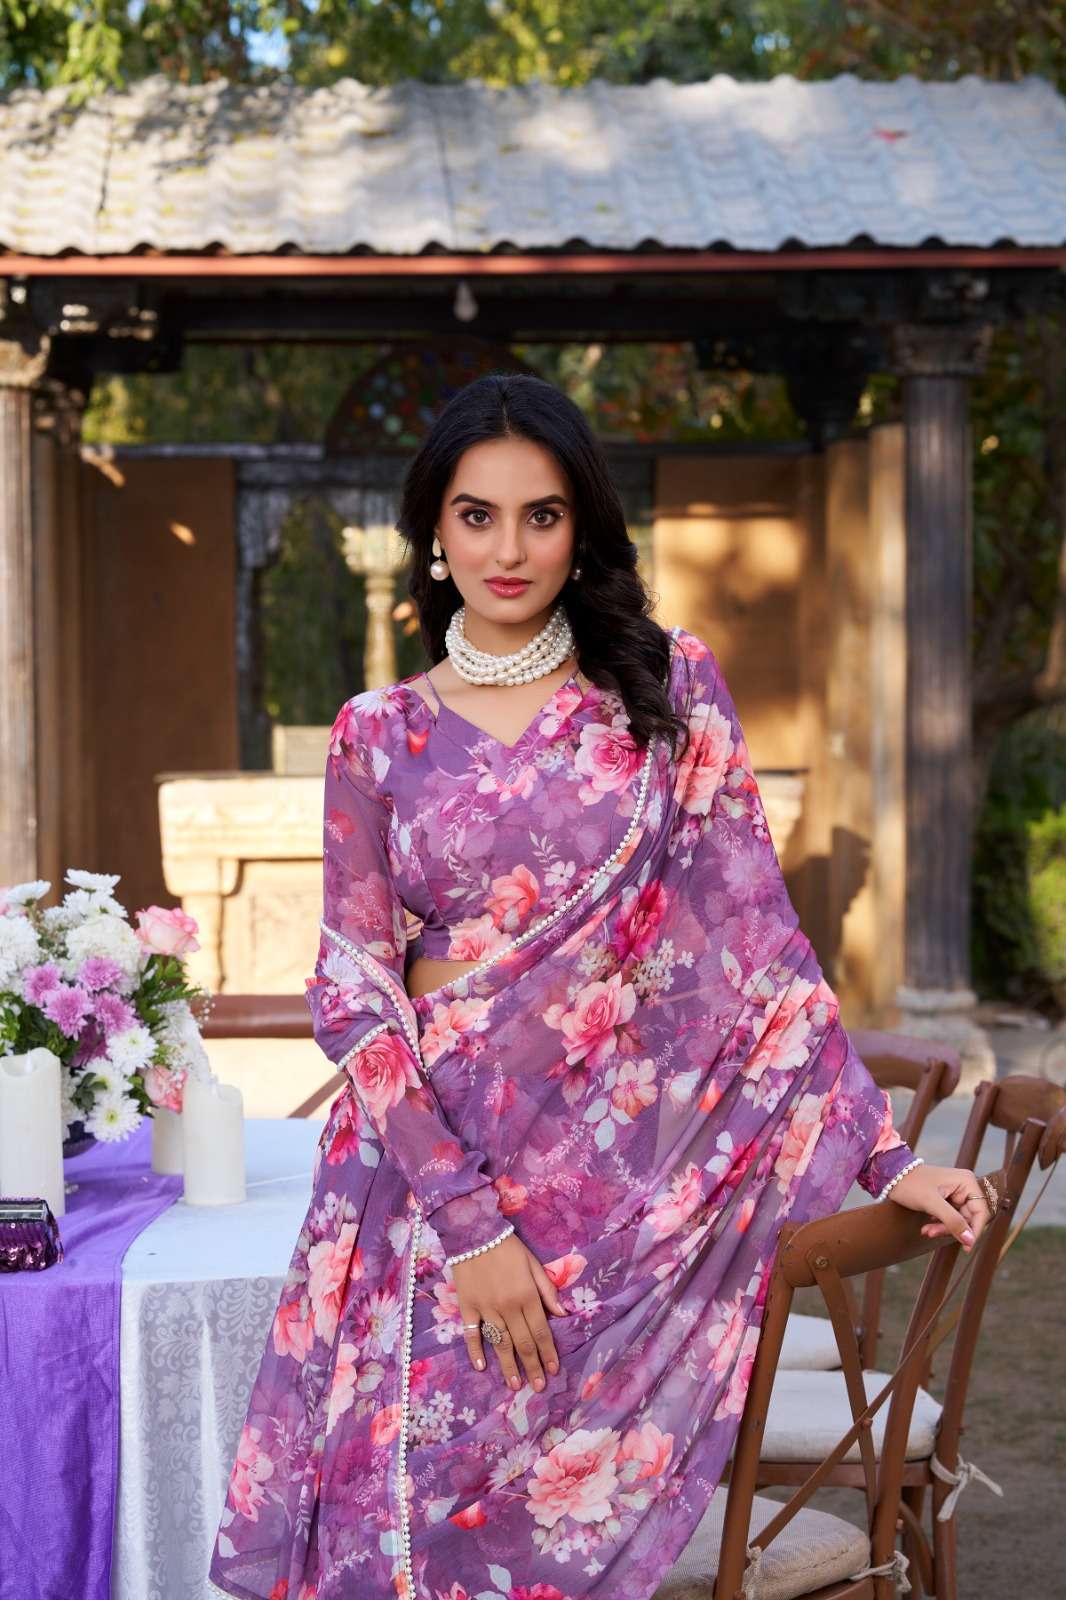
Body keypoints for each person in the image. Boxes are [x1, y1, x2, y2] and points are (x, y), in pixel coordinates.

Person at [208, 373, 993, 1600]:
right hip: (427, 1177)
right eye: (476, 515)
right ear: (433, 530)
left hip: (607, 1183)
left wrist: (886, 1159)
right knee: (403, 1512)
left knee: (551, 1527)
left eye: (541, 515)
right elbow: (355, 989)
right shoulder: (378, 732)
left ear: (582, 528)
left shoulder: (664, 693)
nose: (507, 549)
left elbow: (756, 947)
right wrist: (468, 1224)